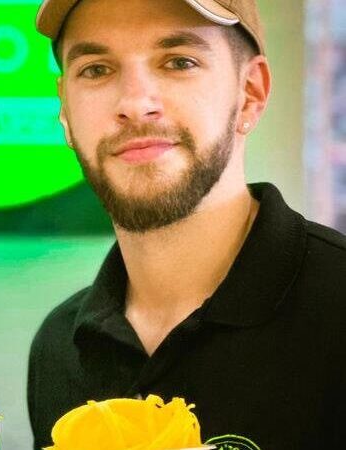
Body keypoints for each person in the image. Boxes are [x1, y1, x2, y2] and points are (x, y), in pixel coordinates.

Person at [27, 1, 346, 449]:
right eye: (97, 70)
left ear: (250, 92)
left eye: (179, 62)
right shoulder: (59, 348)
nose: (135, 104)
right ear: (64, 107)